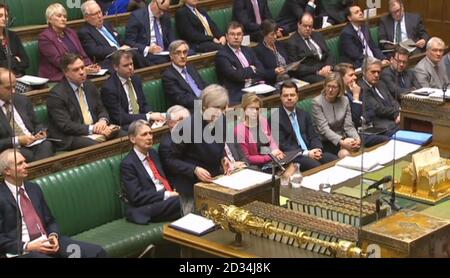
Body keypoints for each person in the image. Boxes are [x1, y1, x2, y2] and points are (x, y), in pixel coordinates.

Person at [0, 149, 107, 258]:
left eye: (25, 161)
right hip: (24, 251)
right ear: (7, 171)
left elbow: (50, 221)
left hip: (48, 242)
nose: (26, 165)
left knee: (97, 252)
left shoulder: (33, 188)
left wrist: (53, 235)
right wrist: (28, 246)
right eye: (20, 164)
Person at [167, 85, 231, 215]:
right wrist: (194, 169)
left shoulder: (222, 121)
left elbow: (218, 146)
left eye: (223, 108)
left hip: (215, 183)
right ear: (204, 106)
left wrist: (223, 158)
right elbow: (170, 160)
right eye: (216, 108)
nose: (219, 113)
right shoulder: (188, 127)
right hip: (191, 190)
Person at [46, 53, 121, 151]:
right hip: (72, 136)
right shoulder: (56, 95)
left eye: (82, 67)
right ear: (66, 73)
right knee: (94, 146)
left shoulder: (89, 86)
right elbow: (66, 126)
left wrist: (102, 121)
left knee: (123, 134)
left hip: (95, 130)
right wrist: (93, 129)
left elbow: (101, 108)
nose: (81, 72)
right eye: (76, 70)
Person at [120, 120, 181, 224]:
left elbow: (166, 177)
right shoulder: (128, 164)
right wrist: (167, 195)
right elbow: (136, 197)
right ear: (132, 139)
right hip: (148, 206)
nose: (149, 137)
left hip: (166, 200)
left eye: (150, 133)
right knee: (183, 201)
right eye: (144, 134)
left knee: (189, 194)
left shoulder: (153, 153)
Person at [272, 80, 337, 171]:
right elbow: (283, 145)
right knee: (316, 166)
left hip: (311, 150)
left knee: (334, 160)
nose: (289, 98)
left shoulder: (303, 114)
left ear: (297, 96)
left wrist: (317, 149)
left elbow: (313, 136)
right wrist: (307, 153)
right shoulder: (274, 117)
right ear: (281, 97)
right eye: (286, 96)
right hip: (294, 156)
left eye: (292, 95)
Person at [235, 93, 296, 179]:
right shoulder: (239, 130)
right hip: (258, 165)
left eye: (257, 108)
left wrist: (276, 150)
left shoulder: (262, 121)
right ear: (244, 110)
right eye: (251, 108)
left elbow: (271, 139)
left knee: (293, 165)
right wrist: (270, 156)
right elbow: (247, 158)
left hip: (272, 159)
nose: (255, 111)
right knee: (287, 174)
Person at [101, 50, 164, 130]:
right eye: (126, 65)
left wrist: (150, 114)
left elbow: (143, 104)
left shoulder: (136, 79)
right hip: (126, 125)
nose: (130, 68)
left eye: (131, 64)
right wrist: (147, 117)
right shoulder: (109, 88)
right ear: (115, 67)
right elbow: (120, 118)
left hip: (142, 120)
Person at [0, 69, 54, 162]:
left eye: (14, 86)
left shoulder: (21, 99)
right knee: (23, 156)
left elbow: (36, 123)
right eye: (8, 88)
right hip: (11, 149)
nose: (13, 91)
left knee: (47, 145)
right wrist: (18, 140)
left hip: (34, 143)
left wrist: (40, 132)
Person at [39, 3, 100, 82]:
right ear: (50, 19)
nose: (63, 19)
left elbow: (82, 54)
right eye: (59, 16)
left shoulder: (71, 32)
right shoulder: (45, 37)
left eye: (65, 16)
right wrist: (81, 69)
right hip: (59, 74)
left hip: (78, 71)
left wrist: (91, 66)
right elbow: (58, 61)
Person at [78, 0, 146, 70]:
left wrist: (126, 46)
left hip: (124, 53)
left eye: (100, 12)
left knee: (140, 51)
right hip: (110, 60)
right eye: (95, 14)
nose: (99, 16)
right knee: (135, 55)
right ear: (86, 17)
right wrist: (117, 50)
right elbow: (94, 51)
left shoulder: (107, 24)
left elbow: (119, 39)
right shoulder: (84, 32)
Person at [334, 63, 390, 147]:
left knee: (394, 133)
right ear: (341, 78)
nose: (355, 77)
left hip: (369, 127)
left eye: (355, 74)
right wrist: (355, 96)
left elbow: (371, 110)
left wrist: (362, 119)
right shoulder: (339, 97)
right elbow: (353, 121)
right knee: (387, 140)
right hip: (355, 134)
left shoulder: (356, 89)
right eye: (351, 75)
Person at [311, 72, 360, 158]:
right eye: (328, 86)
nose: (330, 90)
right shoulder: (317, 102)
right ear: (324, 86)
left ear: (339, 89)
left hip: (343, 138)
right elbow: (324, 129)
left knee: (355, 146)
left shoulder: (345, 100)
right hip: (326, 141)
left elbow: (348, 126)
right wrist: (342, 142)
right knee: (345, 154)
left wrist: (357, 139)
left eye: (334, 87)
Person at [215, 22, 265, 105]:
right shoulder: (222, 55)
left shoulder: (248, 50)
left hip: (255, 87)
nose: (236, 37)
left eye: (239, 34)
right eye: (232, 34)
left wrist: (244, 73)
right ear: (227, 36)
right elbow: (235, 75)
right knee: (256, 102)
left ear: (242, 36)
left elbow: (261, 70)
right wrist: (251, 69)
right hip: (237, 92)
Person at [286, 13, 335, 84]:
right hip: (309, 74)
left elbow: (328, 53)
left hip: (326, 69)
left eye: (310, 26)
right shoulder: (292, 42)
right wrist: (319, 71)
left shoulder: (317, 35)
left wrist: (329, 66)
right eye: (305, 26)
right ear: (298, 25)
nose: (308, 29)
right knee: (328, 81)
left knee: (342, 74)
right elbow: (295, 68)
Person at [124, 0, 175, 66]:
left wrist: (176, 48)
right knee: (164, 61)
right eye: (160, 9)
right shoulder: (137, 16)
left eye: (165, 10)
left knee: (189, 53)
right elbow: (129, 42)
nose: (162, 13)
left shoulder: (165, 16)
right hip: (147, 55)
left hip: (165, 52)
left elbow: (171, 37)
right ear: (154, 2)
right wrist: (148, 49)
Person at [162, 40, 207, 111]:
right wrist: (204, 102)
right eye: (178, 53)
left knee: (227, 112)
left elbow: (203, 85)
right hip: (189, 110)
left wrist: (212, 95)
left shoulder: (191, 68)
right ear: (171, 56)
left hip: (205, 104)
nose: (182, 56)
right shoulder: (168, 76)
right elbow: (182, 99)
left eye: (185, 52)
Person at [361, 57, 400, 137]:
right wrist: (396, 113)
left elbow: (393, 100)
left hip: (393, 119)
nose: (376, 75)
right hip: (380, 123)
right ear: (364, 72)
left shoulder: (381, 83)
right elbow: (377, 109)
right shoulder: (362, 87)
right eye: (373, 72)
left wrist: (399, 112)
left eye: (378, 72)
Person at [253, 19, 289, 86]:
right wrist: (274, 71)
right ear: (264, 34)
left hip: (287, 78)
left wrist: (293, 66)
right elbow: (261, 73)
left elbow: (288, 61)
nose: (275, 37)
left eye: (276, 33)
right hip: (273, 82)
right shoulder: (258, 50)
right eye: (272, 34)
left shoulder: (280, 44)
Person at [0, 4, 29, 77]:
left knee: (43, 85)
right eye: (0, 15)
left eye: (6, 16)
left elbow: (26, 62)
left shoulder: (13, 36)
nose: (4, 18)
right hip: (3, 80)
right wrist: (15, 60)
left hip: (20, 76)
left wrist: (8, 64)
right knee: (26, 88)